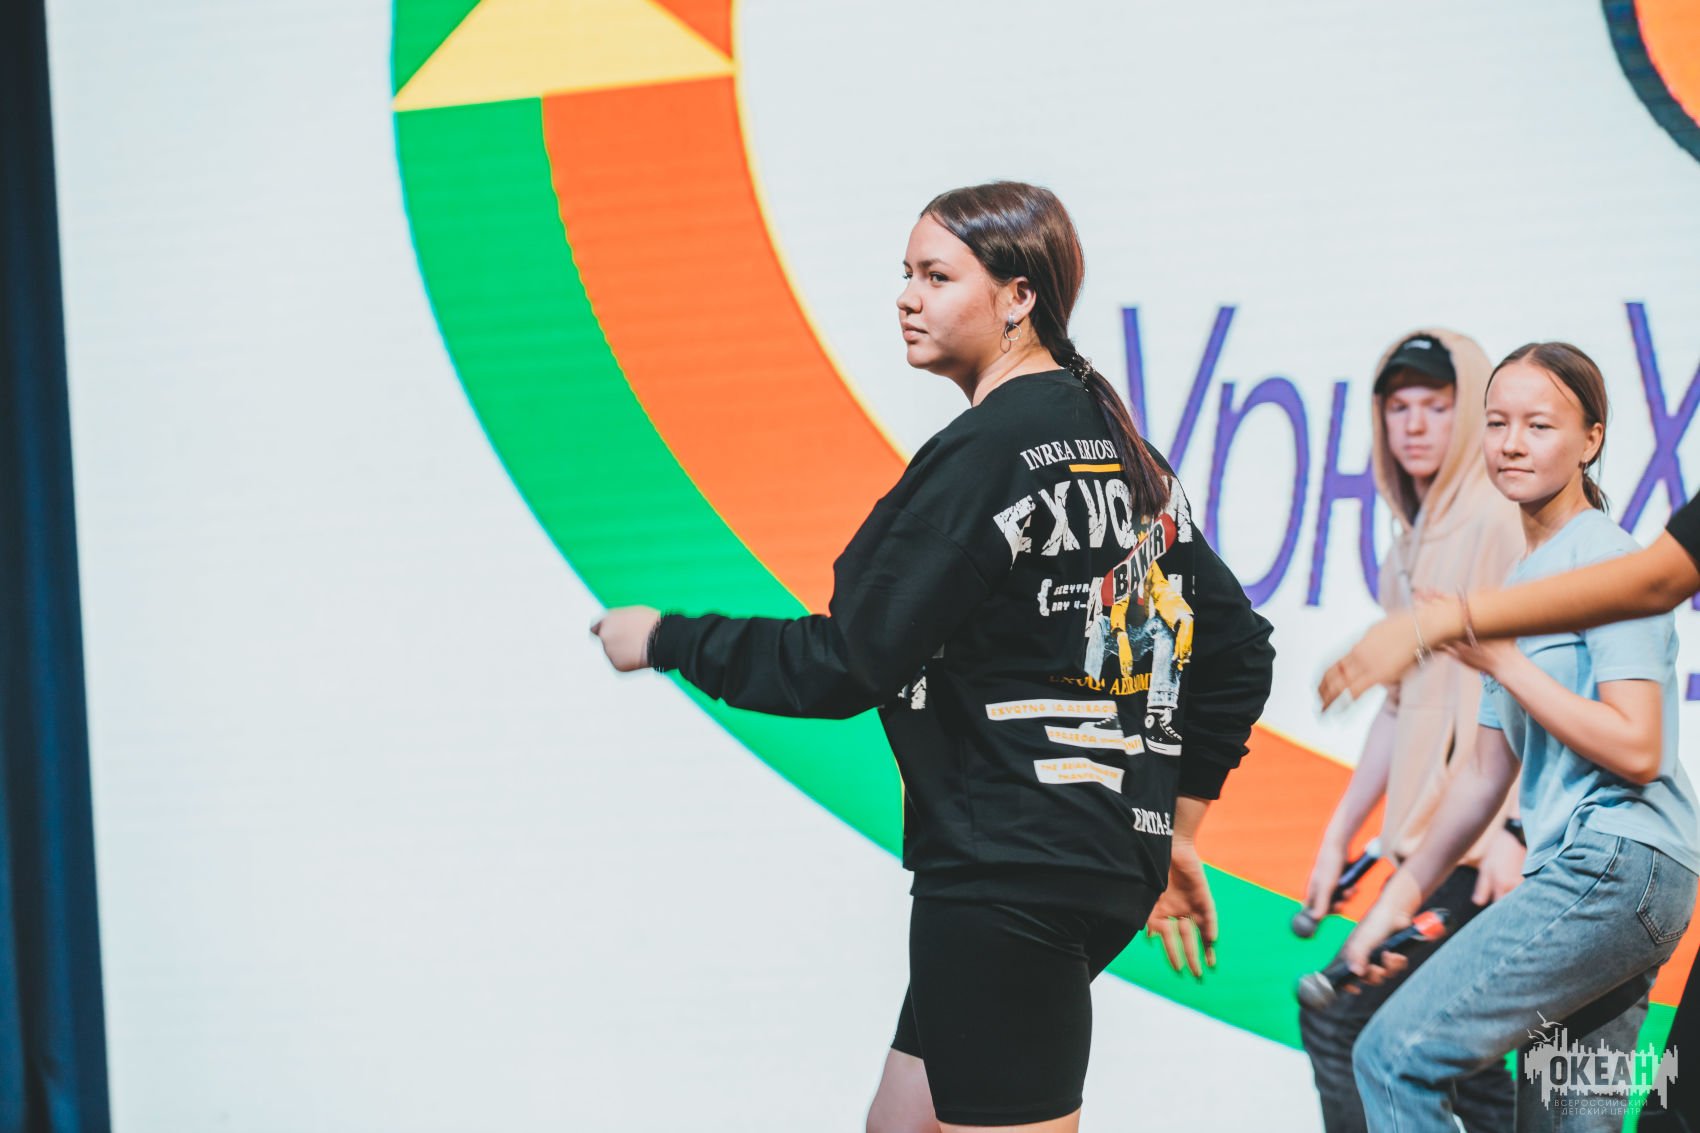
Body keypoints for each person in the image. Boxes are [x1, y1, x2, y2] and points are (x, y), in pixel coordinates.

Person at [591, 181, 1274, 1133]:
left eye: (936, 276)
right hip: (1089, 865)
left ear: (1019, 295)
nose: (906, 297)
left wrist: (666, 639)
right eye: (906, 274)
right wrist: (1176, 828)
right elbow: (1238, 649)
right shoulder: (1122, 450)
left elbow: (845, 662)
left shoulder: (986, 451)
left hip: (1008, 873)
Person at [1337, 342, 1700, 1131]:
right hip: (1610, 876)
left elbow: (1640, 749)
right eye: (1497, 423)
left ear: (1591, 439)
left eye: (1539, 425)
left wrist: (1503, 658)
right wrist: (1394, 901)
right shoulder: (1519, 584)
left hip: (1619, 865)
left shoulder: (1604, 558)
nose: (1511, 443)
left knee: (1393, 1057)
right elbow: (1481, 775)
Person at [1298, 330, 1523, 1133]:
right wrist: (1338, 836)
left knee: (1341, 1022)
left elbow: (1539, 682)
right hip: (1431, 850)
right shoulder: (1409, 543)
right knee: (1473, 1070)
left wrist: (1518, 832)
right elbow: (1400, 708)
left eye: (1437, 405)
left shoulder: (1500, 523)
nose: (1416, 425)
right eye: (1399, 407)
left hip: (1484, 854)